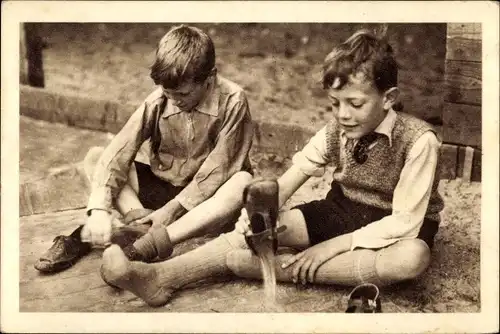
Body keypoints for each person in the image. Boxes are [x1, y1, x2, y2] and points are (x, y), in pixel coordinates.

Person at [98, 29, 444, 307]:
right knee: (259, 230)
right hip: (343, 209)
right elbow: (294, 175)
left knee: (412, 259)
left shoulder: (419, 141)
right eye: (334, 104)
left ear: (388, 98)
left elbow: (405, 222)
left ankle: (262, 269)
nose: (342, 115)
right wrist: (259, 214)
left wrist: (330, 246)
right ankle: (161, 277)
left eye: (355, 104)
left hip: (398, 228)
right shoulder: (336, 130)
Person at [34, 25, 254, 273]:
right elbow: (119, 151)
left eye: (183, 94)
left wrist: (171, 211)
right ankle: (139, 222)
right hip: (162, 193)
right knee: (97, 157)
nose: (174, 101)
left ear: (209, 78)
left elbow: (220, 169)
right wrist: (98, 209)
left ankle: (150, 239)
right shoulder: (159, 100)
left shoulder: (234, 100)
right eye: (168, 93)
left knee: (243, 182)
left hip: (207, 203)